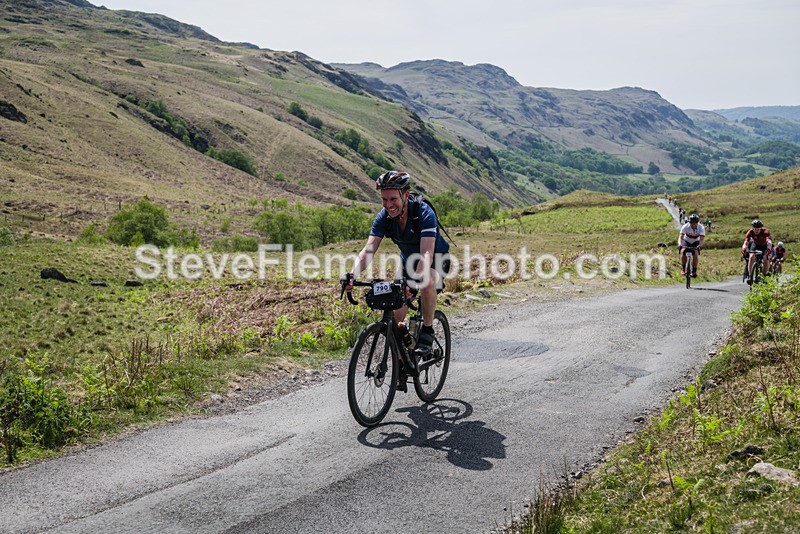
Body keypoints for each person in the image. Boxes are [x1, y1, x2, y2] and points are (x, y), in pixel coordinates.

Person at [345, 170, 451, 356]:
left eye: (393, 199)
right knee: (395, 312)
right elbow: (368, 250)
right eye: (384, 200)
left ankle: (427, 330)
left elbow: (426, 254)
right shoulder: (384, 217)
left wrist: (415, 282)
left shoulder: (424, 213)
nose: (388, 205)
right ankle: (402, 358)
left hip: (435, 259)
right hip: (408, 263)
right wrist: (352, 275)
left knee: (427, 280)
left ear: (406, 195)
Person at [741, 219, 773, 284]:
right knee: (751, 256)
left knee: (765, 258)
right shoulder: (750, 232)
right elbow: (746, 242)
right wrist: (744, 249)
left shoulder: (765, 231)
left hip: (764, 246)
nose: (756, 231)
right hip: (755, 245)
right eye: (755, 229)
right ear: (753, 228)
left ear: (761, 228)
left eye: (758, 229)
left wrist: (768, 250)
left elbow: (769, 242)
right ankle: (750, 276)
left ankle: (764, 275)